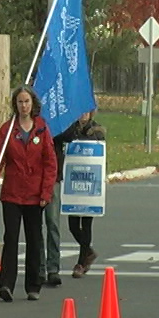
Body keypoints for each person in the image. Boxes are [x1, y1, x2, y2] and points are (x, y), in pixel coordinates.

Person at [0, 85, 57, 302]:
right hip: (13, 194)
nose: (23, 106)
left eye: (26, 101)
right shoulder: (8, 130)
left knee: (35, 239)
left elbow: (50, 163)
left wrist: (46, 192)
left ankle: (33, 285)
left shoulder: (42, 129)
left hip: (35, 195)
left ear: (33, 104)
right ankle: (6, 284)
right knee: (11, 238)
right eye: (20, 102)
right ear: (15, 105)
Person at [54, 111, 106, 279]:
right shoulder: (70, 129)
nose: (82, 115)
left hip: (90, 184)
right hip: (73, 184)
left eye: (86, 112)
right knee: (73, 225)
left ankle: (81, 262)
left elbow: (100, 151)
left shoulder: (96, 130)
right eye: (80, 111)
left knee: (87, 223)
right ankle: (89, 252)